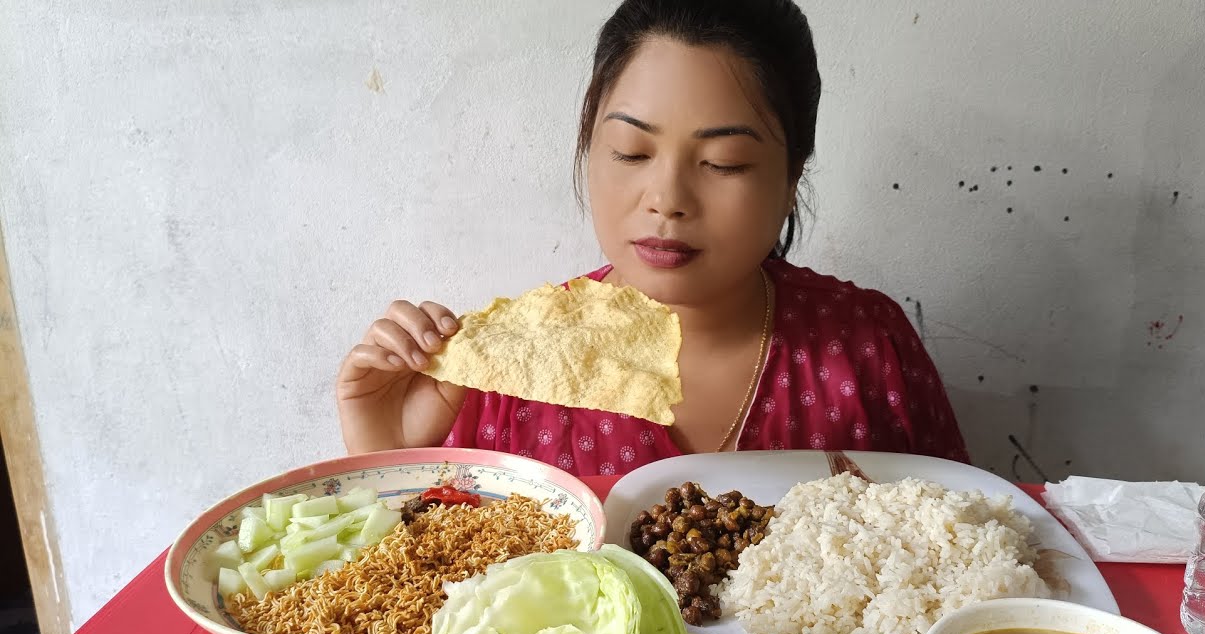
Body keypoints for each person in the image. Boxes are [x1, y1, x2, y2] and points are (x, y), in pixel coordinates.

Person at [336, 0, 968, 474]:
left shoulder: (870, 351)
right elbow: (436, 607)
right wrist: (386, 454)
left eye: (723, 162)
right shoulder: (502, 383)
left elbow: (969, 566)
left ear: (791, 172)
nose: (666, 199)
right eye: (632, 153)